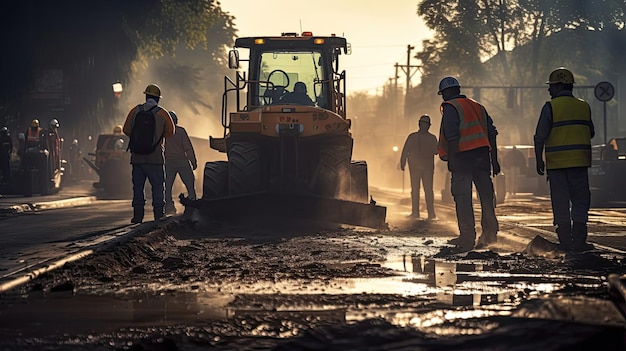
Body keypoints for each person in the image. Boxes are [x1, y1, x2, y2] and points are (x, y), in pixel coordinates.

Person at [533, 67, 595, 253]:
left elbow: (539, 137)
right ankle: (580, 240)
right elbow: (590, 132)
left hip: (557, 164)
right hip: (580, 163)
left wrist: (538, 160)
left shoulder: (550, 107)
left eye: (551, 86)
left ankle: (566, 242)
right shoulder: (584, 106)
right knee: (580, 201)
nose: (549, 90)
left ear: (559, 86)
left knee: (560, 201)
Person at [437, 76, 500, 251]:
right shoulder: (478, 106)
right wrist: (494, 159)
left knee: (463, 197)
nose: (443, 98)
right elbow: (492, 133)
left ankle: (466, 237)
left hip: (463, 158)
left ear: (448, 93)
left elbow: (452, 136)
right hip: (482, 157)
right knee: (486, 197)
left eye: (443, 94)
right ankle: (490, 234)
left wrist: (452, 159)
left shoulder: (451, 107)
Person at [123, 84, 175, 224]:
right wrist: (157, 136)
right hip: (156, 157)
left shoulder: (135, 111)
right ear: (158, 99)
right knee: (158, 186)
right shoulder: (163, 113)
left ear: (145, 96)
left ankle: (137, 216)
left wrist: (138, 139)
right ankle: (159, 214)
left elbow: (126, 129)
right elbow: (171, 132)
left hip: (137, 157)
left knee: (138, 187)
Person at [400, 114, 438, 219]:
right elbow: (405, 150)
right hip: (417, 167)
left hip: (426, 168)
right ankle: (417, 212)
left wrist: (403, 162)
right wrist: (402, 162)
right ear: (419, 124)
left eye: (425, 124)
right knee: (416, 190)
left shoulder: (431, 138)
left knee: (427, 190)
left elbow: (436, 151)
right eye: (423, 124)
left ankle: (430, 213)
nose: (424, 126)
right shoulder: (414, 137)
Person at [164, 110, 198, 215]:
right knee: (190, 184)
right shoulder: (181, 131)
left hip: (168, 162)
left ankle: (169, 207)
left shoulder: (163, 132)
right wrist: (193, 161)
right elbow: (188, 147)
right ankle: (191, 206)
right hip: (183, 162)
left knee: (167, 186)